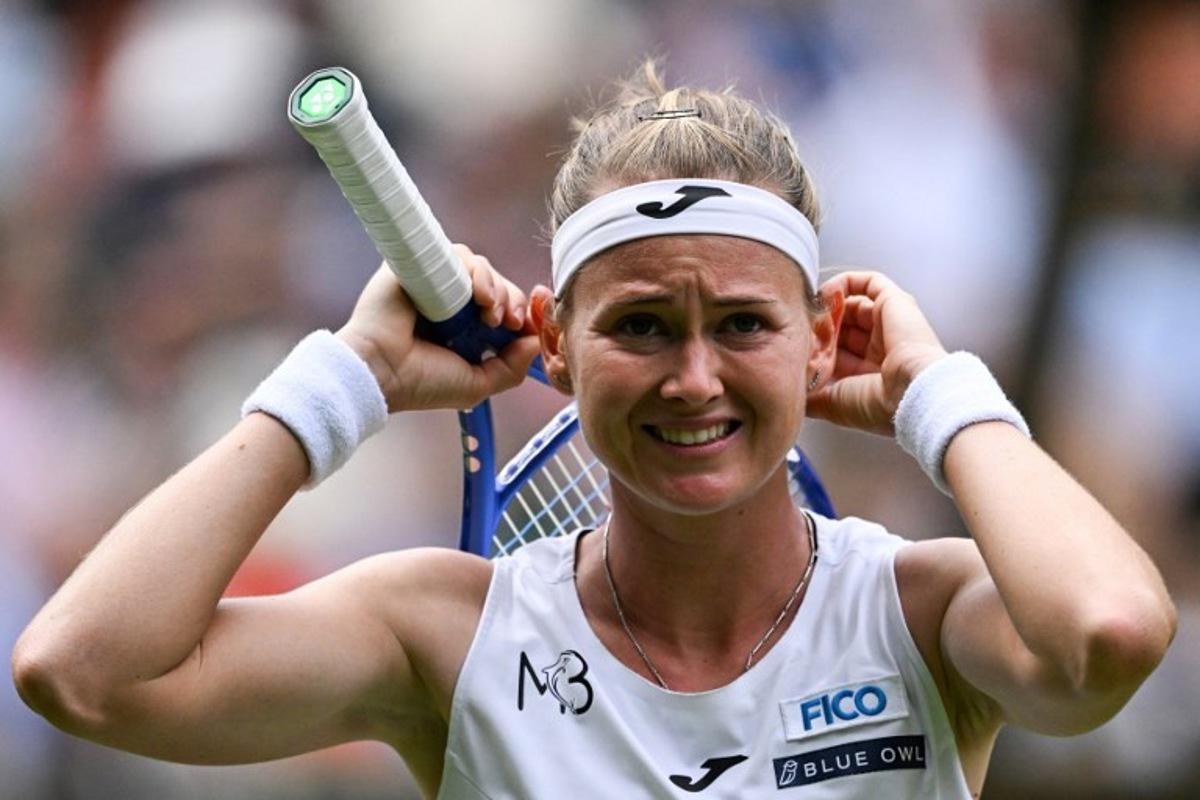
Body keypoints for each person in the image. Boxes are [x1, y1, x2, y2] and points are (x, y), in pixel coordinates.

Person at [12, 63, 1176, 799]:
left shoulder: (921, 609)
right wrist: (346, 377)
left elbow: (1112, 631)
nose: (695, 377)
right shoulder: (445, 630)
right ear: (558, 349)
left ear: (822, 341)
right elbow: (81, 670)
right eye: (642, 326)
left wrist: (937, 393)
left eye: (743, 323)